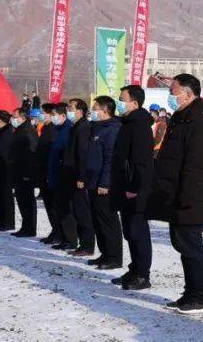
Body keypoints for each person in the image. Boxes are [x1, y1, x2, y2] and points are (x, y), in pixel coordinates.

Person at [147, 73, 203, 314]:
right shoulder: (181, 116)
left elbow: (197, 164)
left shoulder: (200, 119)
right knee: (181, 244)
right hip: (174, 193)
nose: (170, 97)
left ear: (187, 94)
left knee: (191, 245)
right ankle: (190, 292)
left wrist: (188, 197)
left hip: (190, 196)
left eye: (173, 92)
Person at [110, 85, 155, 290]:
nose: (119, 102)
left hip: (134, 188)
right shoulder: (127, 123)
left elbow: (141, 161)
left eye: (122, 98)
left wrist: (135, 186)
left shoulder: (139, 125)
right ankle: (134, 269)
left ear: (134, 103)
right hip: (124, 185)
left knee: (138, 232)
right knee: (129, 231)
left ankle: (142, 275)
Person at [82, 96, 123, 270]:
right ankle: (105, 253)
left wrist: (105, 183)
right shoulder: (96, 128)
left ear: (106, 109)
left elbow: (110, 159)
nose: (93, 111)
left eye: (96, 108)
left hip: (103, 184)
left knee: (108, 221)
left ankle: (114, 257)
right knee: (98, 220)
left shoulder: (112, 129)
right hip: (92, 182)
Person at [66, 98, 96, 257]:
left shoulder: (83, 128)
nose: (68, 110)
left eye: (71, 108)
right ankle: (82, 244)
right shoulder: (75, 127)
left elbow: (83, 155)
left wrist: (81, 178)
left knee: (83, 212)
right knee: (77, 211)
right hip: (72, 174)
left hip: (80, 177)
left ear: (80, 111)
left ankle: (87, 245)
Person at [46, 107, 78, 250]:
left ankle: (70, 239)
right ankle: (63, 236)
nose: (52, 117)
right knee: (59, 208)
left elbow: (67, 154)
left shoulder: (68, 130)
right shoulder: (58, 129)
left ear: (63, 115)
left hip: (63, 176)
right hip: (56, 174)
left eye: (54, 115)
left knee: (66, 210)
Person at [9, 106, 39, 237]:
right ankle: (25, 227)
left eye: (15, 117)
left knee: (27, 201)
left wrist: (28, 174)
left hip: (25, 173)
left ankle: (29, 228)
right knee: (21, 200)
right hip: (18, 171)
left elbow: (31, 154)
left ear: (23, 117)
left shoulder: (27, 131)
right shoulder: (19, 130)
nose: (13, 119)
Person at [35, 104, 60, 242]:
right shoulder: (46, 128)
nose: (40, 116)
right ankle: (55, 231)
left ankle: (58, 232)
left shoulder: (53, 130)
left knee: (53, 205)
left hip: (49, 172)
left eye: (43, 113)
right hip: (43, 172)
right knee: (49, 205)